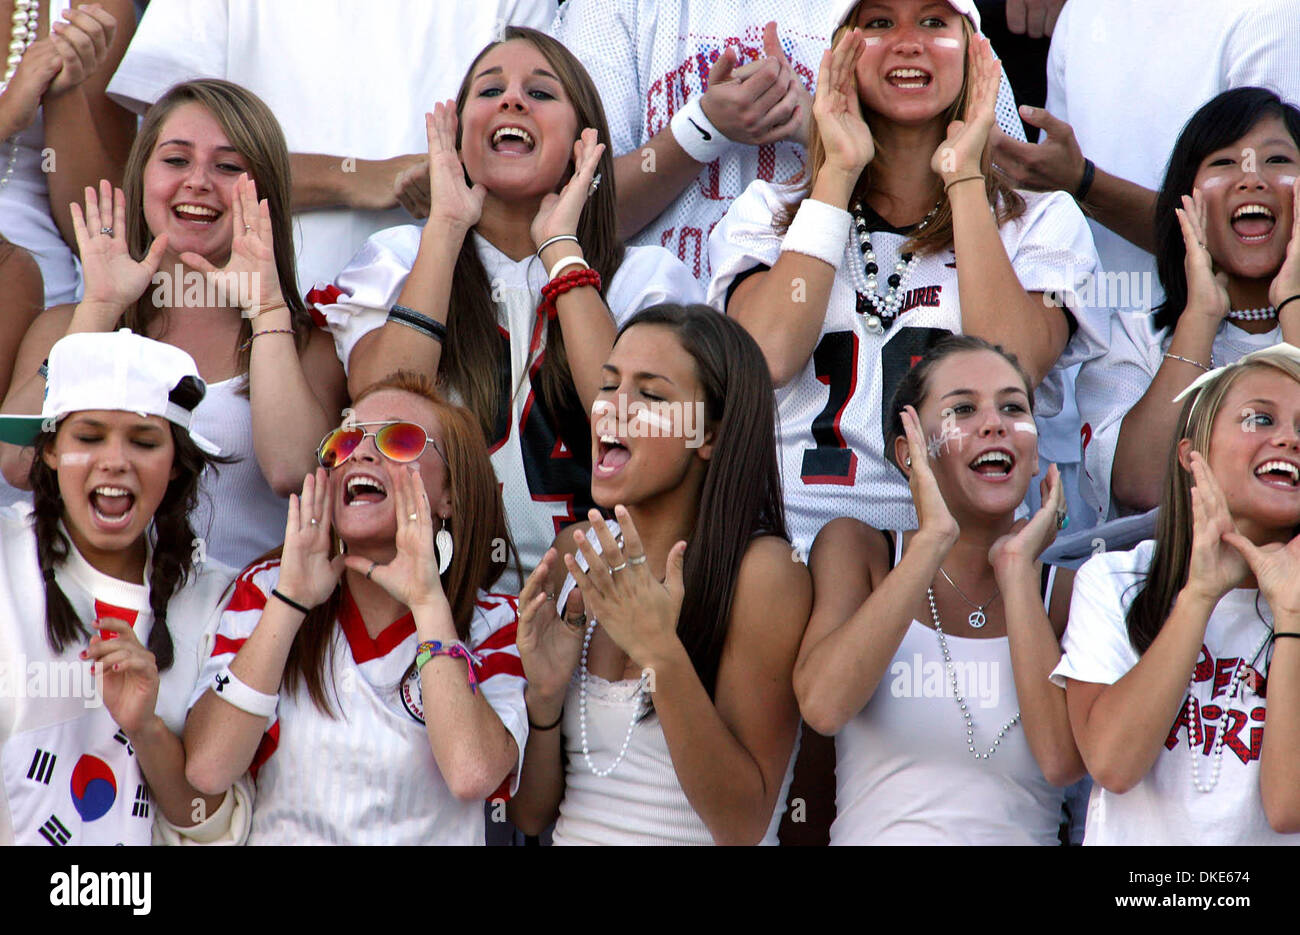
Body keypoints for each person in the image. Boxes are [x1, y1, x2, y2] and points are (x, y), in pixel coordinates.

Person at [711, 0, 1100, 556]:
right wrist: (838, 171)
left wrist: (964, 175)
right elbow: (766, 356)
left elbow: (1010, 363)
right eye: (879, 22)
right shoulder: (768, 212)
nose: (908, 41)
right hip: (786, 558)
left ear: (975, 53)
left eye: (934, 21)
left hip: (961, 573)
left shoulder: (1041, 220)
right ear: (840, 53)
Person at [319, 26, 701, 581]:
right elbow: (387, 410)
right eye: (489, 90)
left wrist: (562, 252)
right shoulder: (399, 258)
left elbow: (632, 427)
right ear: (457, 134)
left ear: (583, 145)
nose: (513, 99)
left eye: (541, 93)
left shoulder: (644, 278)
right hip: (440, 600)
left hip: (600, 601)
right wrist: (446, 227)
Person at [1, 79, 348, 570]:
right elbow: (18, 463)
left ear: (265, 192)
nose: (198, 181)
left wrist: (267, 309)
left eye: (228, 166)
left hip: (240, 630)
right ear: (143, 176)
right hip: (90, 627)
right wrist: (98, 310)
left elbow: (293, 472)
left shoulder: (309, 344)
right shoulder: (68, 325)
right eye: (176, 160)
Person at [507, 304, 810, 845]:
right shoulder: (576, 555)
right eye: (608, 385)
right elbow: (530, 817)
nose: (613, 410)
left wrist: (661, 653)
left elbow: (742, 824)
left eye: (650, 395)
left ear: (709, 437)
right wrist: (544, 704)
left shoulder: (762, 575)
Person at [184, 372, 528, 845]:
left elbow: (472, 774)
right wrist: (292, 601)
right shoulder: (266, 590)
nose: (361, 453)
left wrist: (428, 605)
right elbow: (208, 767)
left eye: (399, 439)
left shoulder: (496, 622)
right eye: (343, 442)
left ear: (449, 494)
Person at [795, 336, 1081, 844]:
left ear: (1035, 453)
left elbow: (1062, 761)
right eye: (963, 409)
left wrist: (1016, 572)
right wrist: (931, 541)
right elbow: (823, 705)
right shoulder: (860, 550)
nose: (993, 423)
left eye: (1012, 407)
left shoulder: (1067, 594)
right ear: (910, 452)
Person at [105, 0, 557, 295]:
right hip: (243, 320)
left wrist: (450, 178)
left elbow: (548, 155)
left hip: (457, 322)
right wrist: (357, 178)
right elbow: (166, 169)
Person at [0, 330, 248, 846]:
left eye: (143, 441)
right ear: (48, 451)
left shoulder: (217, 601)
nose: (115, 461)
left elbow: (213, 826)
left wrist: (147, 729)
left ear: (176, 464)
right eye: (88, 438)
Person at [1054, 345, 1300, 844]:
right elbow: (1113, 765)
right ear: (1193, 453)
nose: (1290, 439)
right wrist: (1199, 594)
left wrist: (1291, 613)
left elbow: (1287, 807)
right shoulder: (1116, 580)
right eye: (1259, 418)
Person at [1077, 89, 1300, 519]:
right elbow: (1141, 487)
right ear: (1184, 203)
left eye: (1276, 160)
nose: (1250, 179)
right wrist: (1200, 315)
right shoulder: (1130, 339)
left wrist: (1292, 302)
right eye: (1222, 162)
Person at [0, 0, 136, 305]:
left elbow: (101, 229)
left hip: (39, 287)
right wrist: (7, 115)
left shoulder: (90, 9)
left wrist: (65, 91)